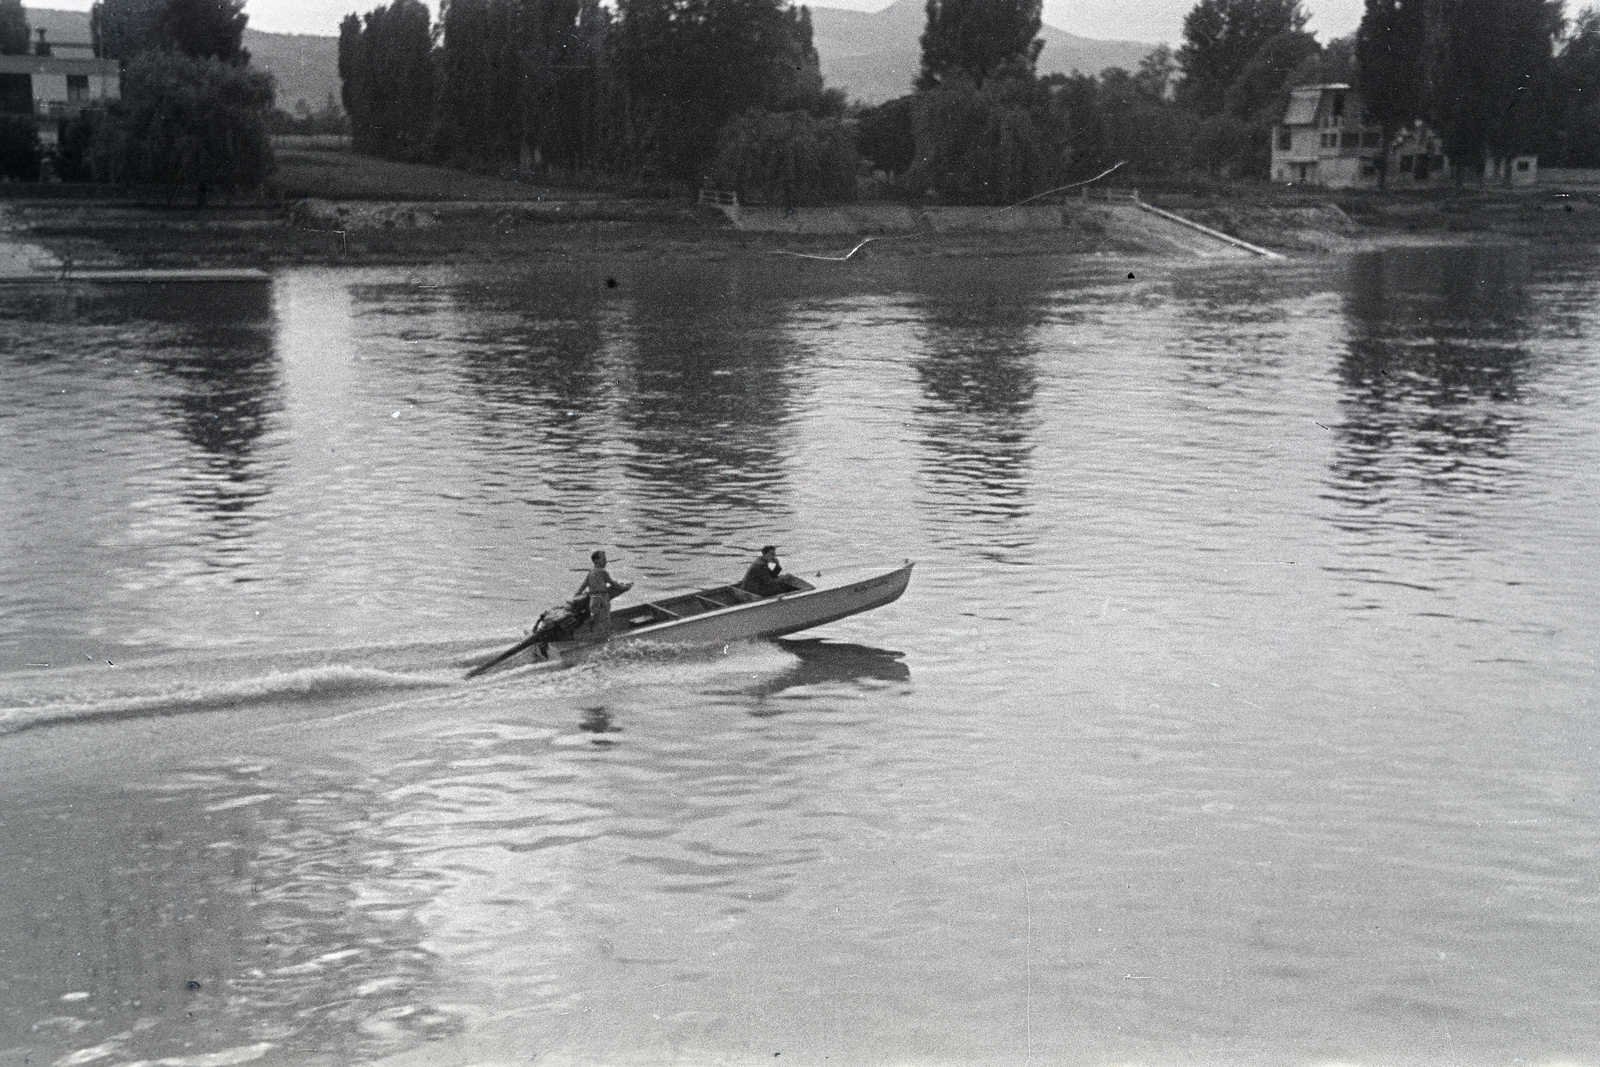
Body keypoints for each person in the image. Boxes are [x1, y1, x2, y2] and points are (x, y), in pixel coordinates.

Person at [575, 550, 631, 638]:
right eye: (603, 559)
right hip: (602, 599)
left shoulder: (591, 571)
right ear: (596, 560)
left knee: (596, 620)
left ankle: (595, 637)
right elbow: (614, 584)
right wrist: (625, 587)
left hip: (593, 600)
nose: (605, 561)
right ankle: (605, 640)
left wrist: (576, 596)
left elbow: (583, 585)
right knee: (605, 621)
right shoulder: (602, 572)